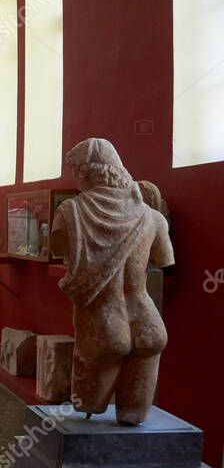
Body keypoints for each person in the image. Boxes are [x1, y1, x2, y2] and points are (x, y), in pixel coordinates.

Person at [50, 138, 173, 425]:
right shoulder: (154, 218)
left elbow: (58, 248)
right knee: (133, 418)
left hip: (103, 325)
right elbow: (164, 260)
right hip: (149, 324)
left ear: (84, 172)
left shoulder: (69, 213)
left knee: (86, 410)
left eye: (74, 171)